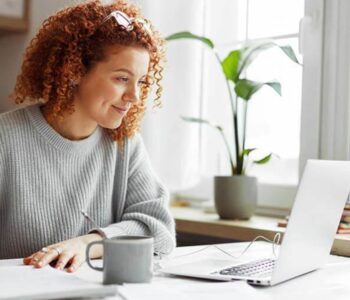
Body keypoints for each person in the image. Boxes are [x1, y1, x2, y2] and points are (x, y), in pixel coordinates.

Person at [0, 0, 175, 272]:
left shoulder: (125, 144)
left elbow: (160, 232)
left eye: (141, 82)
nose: (135, 97)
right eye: (121, 78)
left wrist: (90, 243)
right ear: (74, 72)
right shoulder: (4, 139)